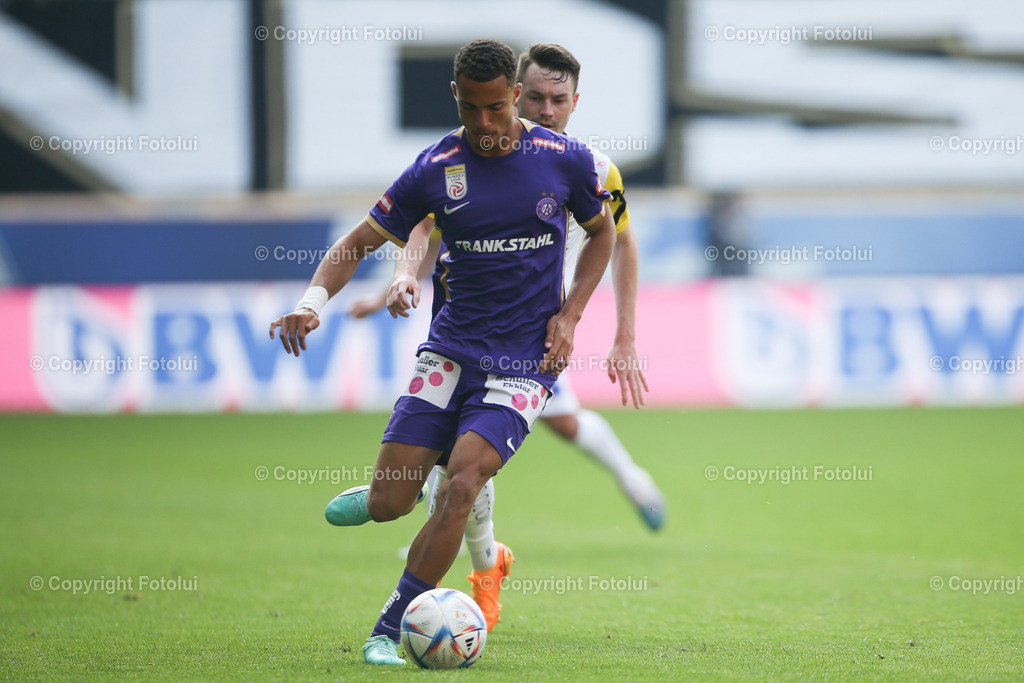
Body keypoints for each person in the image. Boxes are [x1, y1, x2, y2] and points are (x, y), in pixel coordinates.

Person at [272, 39, 614, 666]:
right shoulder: (436, 167)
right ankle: (380, 499)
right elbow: (359, 241)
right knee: (392, 503)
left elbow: (603, 233)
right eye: (470, 109)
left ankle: (387, 628)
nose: (484, 125)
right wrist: (311, 302)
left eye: (495, 109)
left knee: (461, 484)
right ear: (455, 95)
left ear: (515, 95)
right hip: (450, 353)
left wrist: (571, 315)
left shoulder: (566, 161)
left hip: (523, 361)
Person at [346, 43, 666, 634]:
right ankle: (464, 548)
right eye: (537, 97)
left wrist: (621, 334)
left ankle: (629, 480)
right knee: (462, 469)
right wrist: (397, 277)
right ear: (517, 92)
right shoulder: (465, 156)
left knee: (522, 445)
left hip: (541, 336)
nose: (546, 110)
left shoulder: (587, 166)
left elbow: (618, 241)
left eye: (558, 100)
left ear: (575, 102)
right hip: (468, 334)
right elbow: (427, 224)